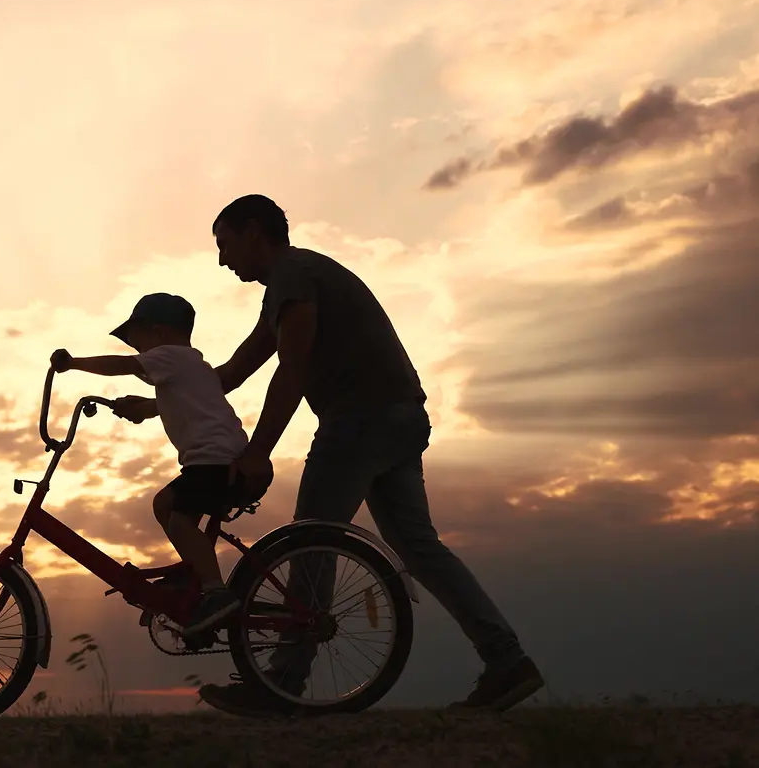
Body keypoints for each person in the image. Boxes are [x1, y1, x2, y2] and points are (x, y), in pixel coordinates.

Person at [111, 194, 544, 716]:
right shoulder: (289, 286)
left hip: (359, 423)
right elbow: (227, 376)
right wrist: (155, 402)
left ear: (254, 232)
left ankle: (283, 686)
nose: (223, 261)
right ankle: (507, 660)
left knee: (310, 543)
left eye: (225, 245)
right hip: (398, 416)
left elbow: (291, 370)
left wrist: (255, 453)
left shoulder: (293, 277)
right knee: (419, 548)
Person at [50, 291, 267, 636]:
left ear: (161, 332)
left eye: (140, 343)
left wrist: (73, 363)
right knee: (164, 503)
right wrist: (144, 407)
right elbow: (171, 401)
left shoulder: (170, 357)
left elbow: (124, 366)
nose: (140, 354)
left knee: (180, 522)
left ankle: (216, 591)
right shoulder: (193, 367)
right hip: (218, 462)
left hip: (214, 463)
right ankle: (192, 574)